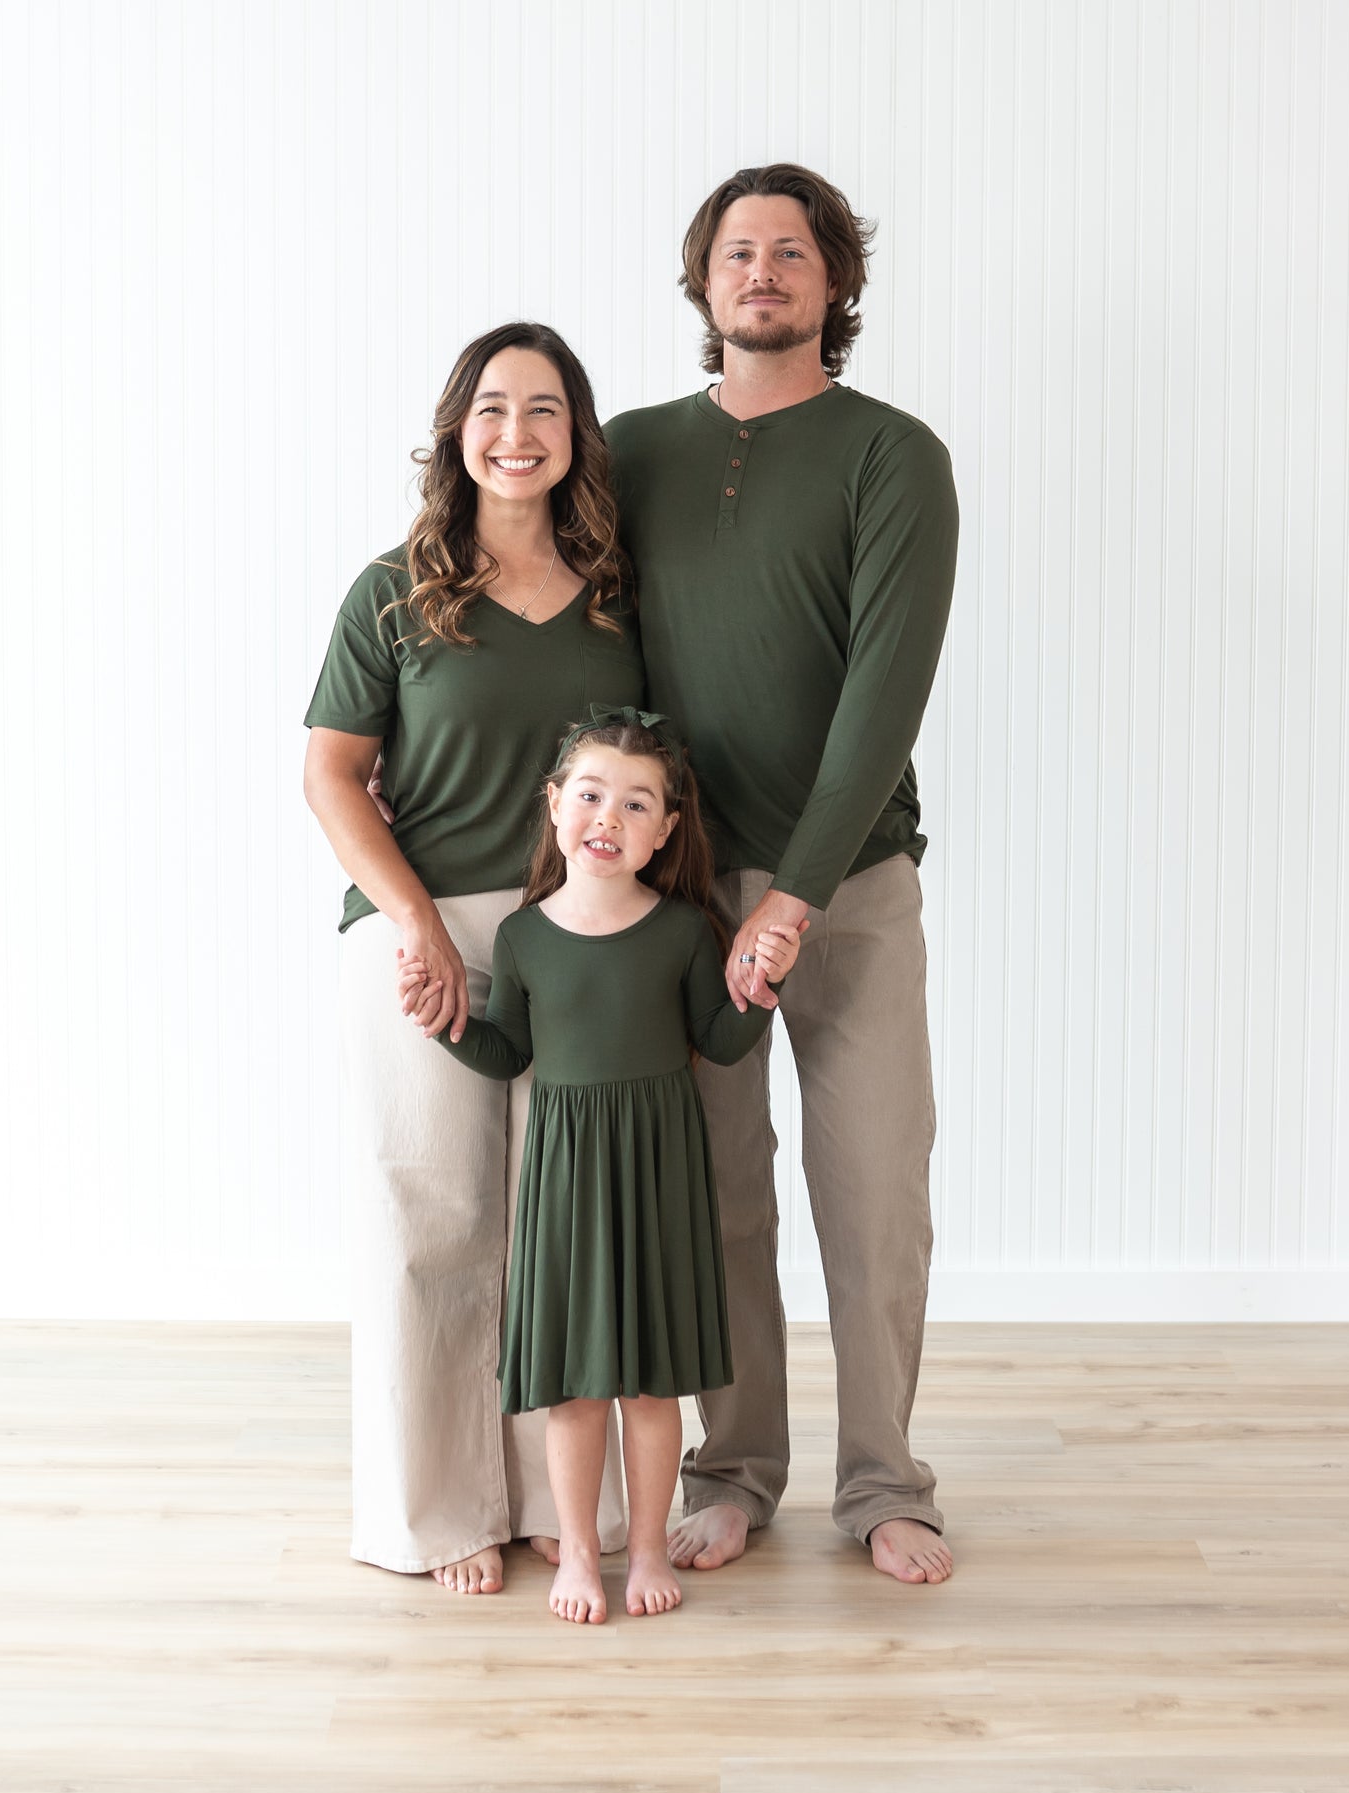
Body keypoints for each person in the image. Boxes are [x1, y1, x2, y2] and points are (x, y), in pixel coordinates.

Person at [603, 163, 961, 1584]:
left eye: (793, 253)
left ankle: (886, 1484)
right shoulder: (628, 450)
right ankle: (734, 1465)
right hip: (681, 900)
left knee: (873, 1188)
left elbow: (888, 692)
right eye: (738, 253)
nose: (763, 273)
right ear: (703, 284)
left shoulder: (894, 455)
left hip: (852, 888)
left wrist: (797, 897)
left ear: (835, 284)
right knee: (718, 1196)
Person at [302, 322, 642, 1594]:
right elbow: (332, 774)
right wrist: (417, 925)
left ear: (575, 437)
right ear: (457, 429)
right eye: (493, 407)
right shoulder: (392, 590)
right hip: (420, 932)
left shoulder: (617, 592)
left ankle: (562, 1504)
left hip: (584, 936)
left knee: (559, 1225)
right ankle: (437, 1513)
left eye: (544, 409)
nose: (516, 432)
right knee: (430, 1215)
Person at [398, 710, 802, 1623]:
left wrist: (761, 982)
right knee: (578, 1390)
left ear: (664, 829)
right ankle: (579, 1555)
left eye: (636, 803)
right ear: (554, 807)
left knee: (653, 1386)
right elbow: (510, 1054)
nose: (607, 817)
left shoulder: (684, 933)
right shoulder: (523, 938)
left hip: (659, 1178)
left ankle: (649, 1548)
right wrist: (447, 1023)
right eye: (589, 795)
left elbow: (721, 1040)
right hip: (568, 1184)